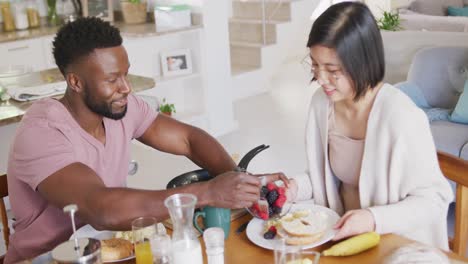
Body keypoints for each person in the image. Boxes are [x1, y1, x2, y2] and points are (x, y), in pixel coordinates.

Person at [5, 17, 286, 263]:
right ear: (75, 82)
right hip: (46, 258)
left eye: (126, 74)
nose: (125, 88)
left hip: (113, 250)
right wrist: (209, 192)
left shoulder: (120, 108)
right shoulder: (41, 132)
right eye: (112, 79)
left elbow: (188, 139)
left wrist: (237, 180)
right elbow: (101, 207)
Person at [287, 2, 453, 249]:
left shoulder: (402, 116)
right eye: (315, 65)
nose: (321, 79)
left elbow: (434, 200)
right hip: (345, 242)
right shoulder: (322, 104)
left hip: (396, 247)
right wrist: (293, 188)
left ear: (362, 63)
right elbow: (326, 177)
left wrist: (374, 219)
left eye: (332, 70)